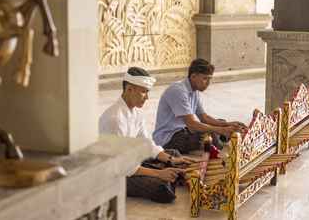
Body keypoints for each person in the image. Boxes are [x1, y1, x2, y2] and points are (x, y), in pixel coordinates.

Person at [99, 67, 194, 203]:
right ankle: (171, 177)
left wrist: (170, 160)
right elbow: (124, 165)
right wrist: (159, 173)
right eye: (143, 92)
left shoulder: (136, 113)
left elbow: (147, 144)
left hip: (132, 161)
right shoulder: (115, 119)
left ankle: (172, 175)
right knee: (162, 189)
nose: (147, 97)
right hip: (115, 174)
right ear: (129, 89)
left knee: (174, 154)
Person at [153, 58, 247, 154]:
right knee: (209, 134)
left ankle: (225, 141)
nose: (208, 83)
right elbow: (192, 124)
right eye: (205, 78)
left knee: (221, 122)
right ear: (193, 76)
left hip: (184, 131)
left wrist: (228, 124)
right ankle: (225, 152)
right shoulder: (178, 91)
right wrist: (221, 130)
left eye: (209, 79)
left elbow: (204, 117)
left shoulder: (194, 90)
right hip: (169, 138)